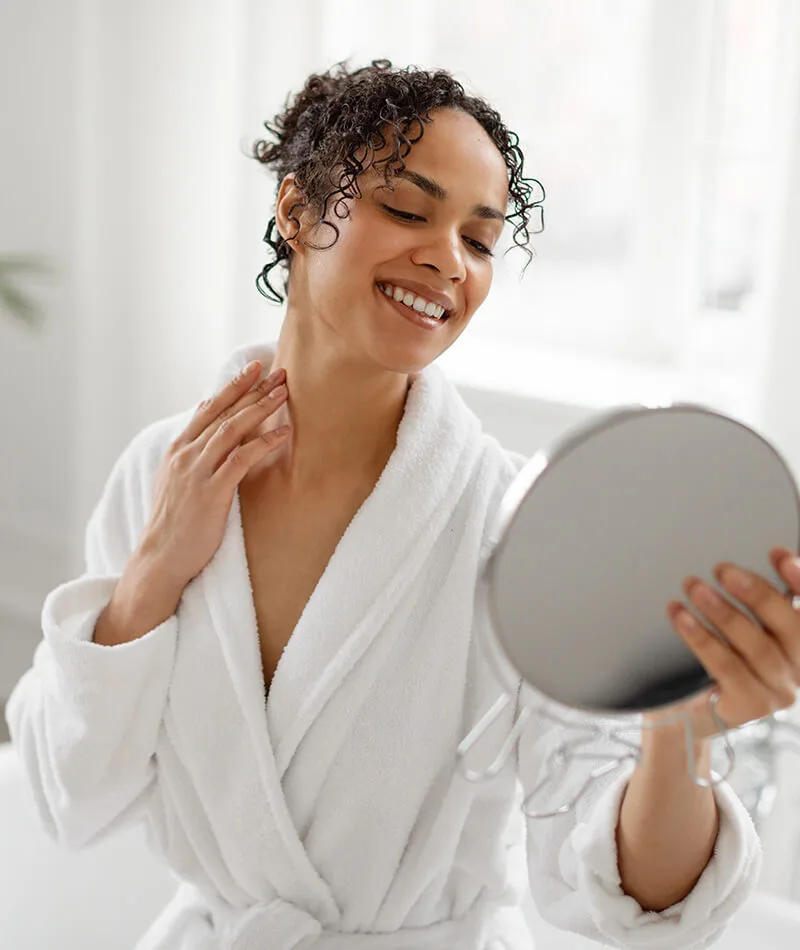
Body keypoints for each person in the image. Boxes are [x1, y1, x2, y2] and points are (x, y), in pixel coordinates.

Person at [7, 59, 798, 950]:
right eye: (409, 209)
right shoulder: (165, 470)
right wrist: (153, 574)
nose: (447, 259)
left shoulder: (511, 527)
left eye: (482, 238)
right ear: (299, 210)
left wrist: (681, 728)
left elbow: (622, 900)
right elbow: (62, 795)